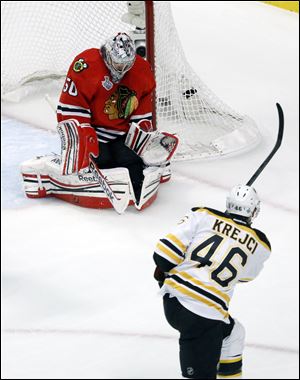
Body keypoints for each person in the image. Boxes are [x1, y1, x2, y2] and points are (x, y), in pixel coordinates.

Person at [153, 185, 271, 379]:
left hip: (175, 302)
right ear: (254, 210)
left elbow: (163, 255)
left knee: (233, 334)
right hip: (203, 316)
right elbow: (246, 276)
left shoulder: (202, 215)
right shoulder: (260, 244)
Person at [56, 32, 156, 206]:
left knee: (131, 159)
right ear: (107, 54)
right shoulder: (86, 64)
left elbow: (142, 113)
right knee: (104, 160)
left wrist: (142, 136)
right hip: (93, 131)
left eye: (126, 64)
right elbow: (72, 105)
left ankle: (136, 189)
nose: (121, 68)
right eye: (117, 63)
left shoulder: (142, 70)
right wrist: (83, 137)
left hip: (121, 133)